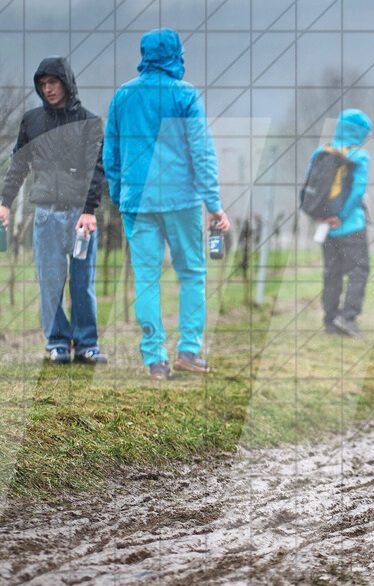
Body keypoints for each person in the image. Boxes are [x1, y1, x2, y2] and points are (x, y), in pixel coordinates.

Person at [104, 28, 230, 381]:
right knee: (192, 274)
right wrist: (215, 206)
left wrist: (120, 195)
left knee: (146, 278)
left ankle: (155, 360)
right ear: (176, 55)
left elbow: (110, 155)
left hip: (136, 200)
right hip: (180, 200)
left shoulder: (122, 96)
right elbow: (201, 154)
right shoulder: (185, 95)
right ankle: (189, 351)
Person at [0, 56, 107, 364]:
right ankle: (57, 342)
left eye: (53, 82)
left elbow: (96, 168)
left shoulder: (89, 121)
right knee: (50, 282)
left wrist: (89, 209)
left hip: (81, 217)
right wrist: (5, 204)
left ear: (66, 82)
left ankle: (86, 345)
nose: (48, 89)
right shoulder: (31, 121)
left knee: (83, 283)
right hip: (46, 215)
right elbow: (19, 164)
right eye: (42, 84)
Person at [307, 109, 372, 338]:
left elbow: (310, 188)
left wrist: (317, 215)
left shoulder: (321, 152)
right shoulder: (359, 155)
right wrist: (342, 216)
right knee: (358, 271)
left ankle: (329, 321)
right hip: (351, 225)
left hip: (325, 226)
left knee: (331, 273)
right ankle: (348, 317)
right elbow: (358, 191)